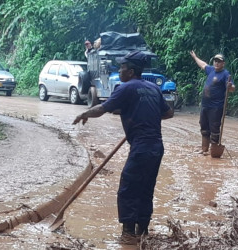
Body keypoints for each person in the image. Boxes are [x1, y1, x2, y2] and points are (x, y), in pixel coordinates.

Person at [72, 50, 174, 245]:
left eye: (122, 68)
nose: (119, 71)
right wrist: (144, 116)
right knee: (146, 188)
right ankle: (143, 232)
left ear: (131, 71)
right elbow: (169, 113)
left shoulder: (125, 87)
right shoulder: (153, 88)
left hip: (141, 146)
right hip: (156, 147)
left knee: (127, 188)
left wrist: (84, 114)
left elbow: (102, 108)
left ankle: (128, 233)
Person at [190, 51, 235, 155]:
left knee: (214, 127)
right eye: (215, 61)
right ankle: (204, 148)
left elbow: (232, 88)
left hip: (216, 107)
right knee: (203, 126)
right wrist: (195, 57)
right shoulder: (211, 70)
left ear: (223, 63)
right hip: (205, 105)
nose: (216, 63)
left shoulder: (225, 74)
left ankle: (213, 150)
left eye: (219, 61)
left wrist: (230, 86)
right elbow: (203, 64)